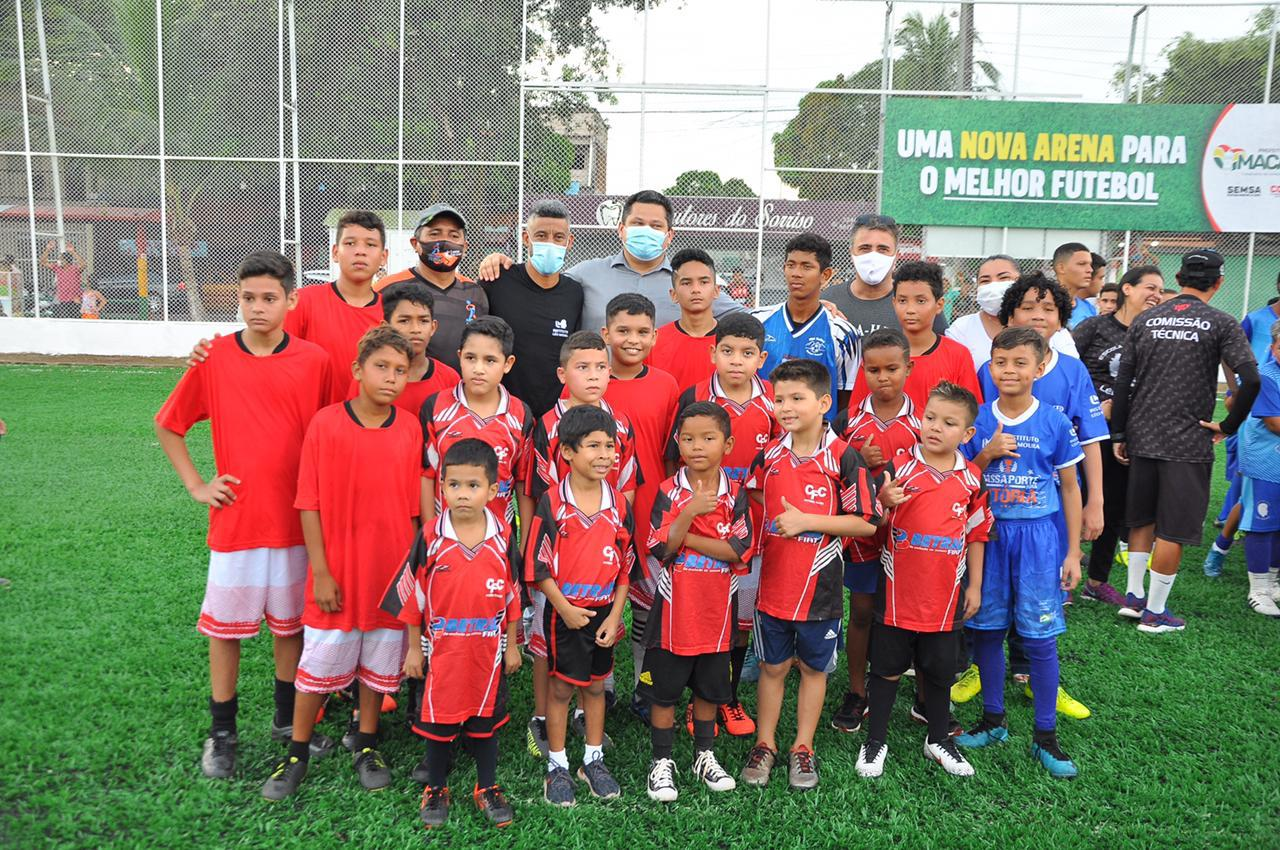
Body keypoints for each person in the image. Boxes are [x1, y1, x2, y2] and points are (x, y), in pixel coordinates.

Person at [155, 251, 335, 779]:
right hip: (236, 523)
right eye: (248, 298)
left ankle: (285, 722)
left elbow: (330, 430)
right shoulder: (214, 358)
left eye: (269, 298)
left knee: (289, 628)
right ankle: (222, 733)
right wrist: (197, 485)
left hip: (296, 522)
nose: (257, 308)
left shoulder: (315, 361)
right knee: (226, 632)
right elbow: (169, 424)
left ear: (291, 301)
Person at [261, 326, 424, 800]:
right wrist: (322, 571)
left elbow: (414, 510)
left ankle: (367, 745)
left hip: (390, 574)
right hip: (339, 571)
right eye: (381, 367)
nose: (392, 378)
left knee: (377, 664)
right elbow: (308, 503)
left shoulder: (410, 427)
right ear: (357, 370)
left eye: (400, 370)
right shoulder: (326, 424)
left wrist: (413, 572)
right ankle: (296, 749)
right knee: (318, 663)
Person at [739, 359, 879, 791]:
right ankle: (765, 744)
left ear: (823, 402)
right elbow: (757, 497)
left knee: (814, 670)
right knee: (772, 666)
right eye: (779, 398)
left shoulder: (844, 456)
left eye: (797, 398)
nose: (785, 406)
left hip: (820, 590)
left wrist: (808, 522)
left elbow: (865, 524)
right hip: (774, 587)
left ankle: (803, 747)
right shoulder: (769, 456)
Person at [955, 327, 1083, 779]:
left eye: (1020, 363)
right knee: (987, 630)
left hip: (1037, 540)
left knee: (1039, 637)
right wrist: (986, 453)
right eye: (1001, 362)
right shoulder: (978, 421)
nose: (1009, 371)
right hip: (987, 539)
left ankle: (1045, 736)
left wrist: (1073, 552)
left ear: (1041, 365)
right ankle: (993, 721)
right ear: (990, 365)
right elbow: (962, 478)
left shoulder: (1054, 420)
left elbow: (1070, 488)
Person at [1111, 250, 1260, 633]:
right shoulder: (1221, 322)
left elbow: (1124, 381)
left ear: (1179, 276)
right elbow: (1251, 380)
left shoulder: (1145, 318)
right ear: (1218, 282)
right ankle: (1156, 613)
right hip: (1187, 440)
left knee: (1142, 519)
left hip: (1142, 435)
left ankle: (1133, 598)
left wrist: (1122, 433)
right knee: (1173, 528)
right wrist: (1228, 426)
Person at [381, 439, 523, 829]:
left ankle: (487, 786)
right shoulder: (430, 536)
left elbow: (512, 594)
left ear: (493, 491)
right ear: (441, 488)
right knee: (439, 721)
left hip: (488, 650)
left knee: (485, 721)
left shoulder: (503, 537)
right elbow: (415, 598)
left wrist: (511, 645)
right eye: (454, 485)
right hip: (441, 648)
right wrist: (413, 649)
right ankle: (437, 788)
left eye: (473, 486)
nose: (462, 494)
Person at [856, 382, 992, 779]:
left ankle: (938, 738)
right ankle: (875, 740)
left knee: (938, 669)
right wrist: (883, 505)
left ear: (967, 434)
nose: (935, 427)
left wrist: (977, 585)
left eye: (949, 423)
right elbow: (872, 527)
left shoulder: (971, 478)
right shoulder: (898, 468)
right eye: (930, 418)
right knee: (885, 669)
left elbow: (977, 534)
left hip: (945, 595)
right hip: (898, 593)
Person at [523, 331, 638, 760]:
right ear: (563, 372)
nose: (593, 376)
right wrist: (531, 540)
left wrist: (612, 528)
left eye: (600, 367)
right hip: (560, 552)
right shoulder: (548, 425)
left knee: (594, 653)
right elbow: (534, 491)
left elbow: (625, 487)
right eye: (582, 367)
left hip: (601, 547)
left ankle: (584, 723)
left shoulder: (620, 423)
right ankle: (542, 718)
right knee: (546, 640)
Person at [664, 312, 778, 736]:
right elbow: (673, 460)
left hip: (751, 530)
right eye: (727, 351)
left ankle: (725, 697)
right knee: (703, 614)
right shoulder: (694, 395)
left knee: (740, 619)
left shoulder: (772, 401)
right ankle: (698, 702)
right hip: (700, 529)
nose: (736, 361)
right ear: (712, 353)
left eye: (747, 353)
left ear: (761, 358)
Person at [641, 402, 754, 802]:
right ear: (678, 442)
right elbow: (659, 548)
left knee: (709, 688)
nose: (697, 446)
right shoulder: (668, 492)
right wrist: (688, 512)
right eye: (688, 438)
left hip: (716, 612)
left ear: (728, 443)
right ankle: (662, 761)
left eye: (708, 438)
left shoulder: (736, 494)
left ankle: (704, 755)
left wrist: (685, 535)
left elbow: (739, 549)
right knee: (665, 691)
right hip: (675, 612)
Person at [186, 212, 387, 402]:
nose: (360, 251)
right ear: (335, 252)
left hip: (368, 430)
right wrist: (217, 353)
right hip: (307, 429)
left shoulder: (391, 312)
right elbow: (266, 351)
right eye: (350, 243)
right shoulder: (304, 302)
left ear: (383, 257)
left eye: (370, 244)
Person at [477, 190, 742, 331]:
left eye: (655, 225)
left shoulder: (688, 284)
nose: (646, 230)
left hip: (657, 399)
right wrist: (500, 261)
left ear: (669, 235)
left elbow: (744, 318)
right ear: (621, 229)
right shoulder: (585, 274)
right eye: (638, 223)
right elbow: (541, 283)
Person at [830, 327, 920, 735]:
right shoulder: (847, 422)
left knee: (908, 615)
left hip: (910, 535)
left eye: (892, 369)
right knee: (863, 612)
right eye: (873, 369)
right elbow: (830, 476)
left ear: (908, 367)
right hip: (864, 534)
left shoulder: (926, 420)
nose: (882, 377)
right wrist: (858, 461)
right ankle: (856, 692)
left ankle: (919, 694)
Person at [599, 293, 680, 719]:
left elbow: (669, 454)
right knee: (600, 604)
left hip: (650, 514)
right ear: (605, 333)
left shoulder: (666, 384)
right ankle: (603, 686)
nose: (632, 340)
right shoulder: (589, 381)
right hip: (599, 518)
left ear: (654, 337)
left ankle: (643, 687)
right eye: (623, 331)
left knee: (650, 613)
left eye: (642, 332)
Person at [1073, 266, 1163, 605]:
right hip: (1085, 432)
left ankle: (1097, 581)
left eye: (1160, 289)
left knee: (1113, 508)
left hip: (1129, 435)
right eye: (1149, 287)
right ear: (1127, 288)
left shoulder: (1154, 332)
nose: (1156, 294)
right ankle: (1064, 575)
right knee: (1075, 501)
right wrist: (1094, 407)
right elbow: (1068, 367)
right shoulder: (1095, 327)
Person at [420, 316, 534, 527]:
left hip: (498, 542)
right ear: (459, 356)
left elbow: (523, 483)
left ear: (508, 364)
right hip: (445, 536)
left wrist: (523, 549)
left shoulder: (520, 415)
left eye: (490, 360)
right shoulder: (436, 408)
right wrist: (430, 535)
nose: (478, 369)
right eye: (471, 358)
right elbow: (426, 476)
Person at [483, 200, 584, 417]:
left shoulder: (575, 293)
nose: (550, 243)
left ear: (570, 242)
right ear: (526, 238)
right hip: (502, 413)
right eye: (541, 235)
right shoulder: (498, 280)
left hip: (554, 417)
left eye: (558, 237)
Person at [752, 233, 859, 422]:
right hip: (763, 435)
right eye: (791, 265)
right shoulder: (757, 321)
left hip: (816, 443)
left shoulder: (843, 334)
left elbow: (845, 398)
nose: (796, 273)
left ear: (825, 275)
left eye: (806, 266)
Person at [851, 261, 982, 410]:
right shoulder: (877, 353)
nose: (910, 309)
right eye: (902, 301)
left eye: (920, 301)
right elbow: (856, 412)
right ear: (894, 303)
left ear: (939, 305)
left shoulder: (958, 355)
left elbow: (971, 413)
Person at [374, 204, 488, 370]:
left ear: (465, 247)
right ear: (415, 243)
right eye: (434, 234)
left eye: (454, 235)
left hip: (460, 393)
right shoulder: (387, 289)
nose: (444, 241)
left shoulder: (476, 293)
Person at [823, 214, 948, 338]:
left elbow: (941, 350)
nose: (873, 255)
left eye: (883, 249)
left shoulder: (920, 303)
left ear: (896, 255)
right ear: (851, 253)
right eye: (865, 248)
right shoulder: (828, 301)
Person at [947, 255, 1079, 370]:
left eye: (1003, 278)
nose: (994, 286)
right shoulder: (961, 329)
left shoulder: (1053, 331)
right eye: (985, 281)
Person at [345, 282, 459, 414]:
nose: (415, 329)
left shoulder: (449, 379)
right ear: (385, 326)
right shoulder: (368, 378)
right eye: (404, 321)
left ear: (433, 327)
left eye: (423, 321)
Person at [1235, 321, 1280, 617]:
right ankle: (1259, 589)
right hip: (1266, 461)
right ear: (1274, 346)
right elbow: (1274, 423)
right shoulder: (1266, 377)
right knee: (1261, 524)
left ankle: (1274, 583)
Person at [648, 248, 721, 391]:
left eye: (704, 282)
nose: (695, 289)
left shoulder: (731, 342)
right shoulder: (654, 342)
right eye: (686, 283)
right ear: (673, 294)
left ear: (716, 290)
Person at [1052, 242, 1096, 329]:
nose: (1090, 270)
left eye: (1090, 265)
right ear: (1061, 268)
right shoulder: (1046, 304)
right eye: (1082, 264)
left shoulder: (1089, 308)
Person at [40, 240, 84, 318]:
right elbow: (42, 262)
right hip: (62, 299)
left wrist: (73, 252)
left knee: (75, 319)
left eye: (61, 259)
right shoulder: (57, 268)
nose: (59, 261)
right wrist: (48, 249)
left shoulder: (74, 268)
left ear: (66, 261)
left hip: (74, 299)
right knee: (62, 319)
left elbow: (83, 264)